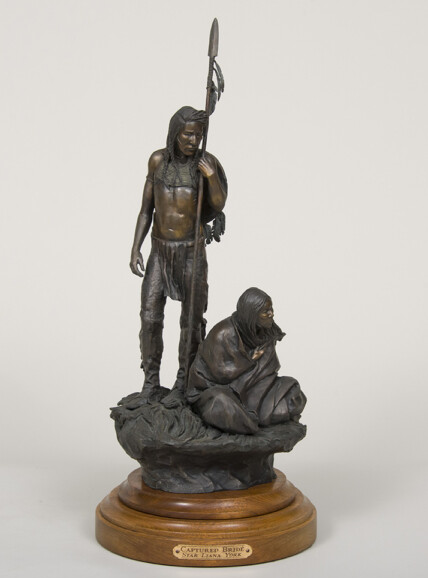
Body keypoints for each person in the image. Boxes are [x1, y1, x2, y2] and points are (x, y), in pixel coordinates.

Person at [130, 106, 227, 398]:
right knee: (149, 317)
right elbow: (146, 210)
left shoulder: (205, 163)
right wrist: (135, 247)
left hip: (191, 252)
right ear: (175, 133)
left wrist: (211, 176)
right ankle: (150, 382)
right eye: (188, 134)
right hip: (159, 251)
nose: (193, 140)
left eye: (198, 135)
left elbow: (218, 203)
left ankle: (183, 383)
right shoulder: (157, 161)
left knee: (191, 320)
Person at [186, 288, 307, 434]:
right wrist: (250, 359)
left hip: (254, 386)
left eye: (271, 309)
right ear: (251, 315)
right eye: (265, 312)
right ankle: (250, 424)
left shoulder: (265, 330)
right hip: (216, 389)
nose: (271, 314)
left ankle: (252, 416)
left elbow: (267, 368)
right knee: (221, 405)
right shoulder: (222, 334)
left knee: (293, 392)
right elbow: (220, 374)